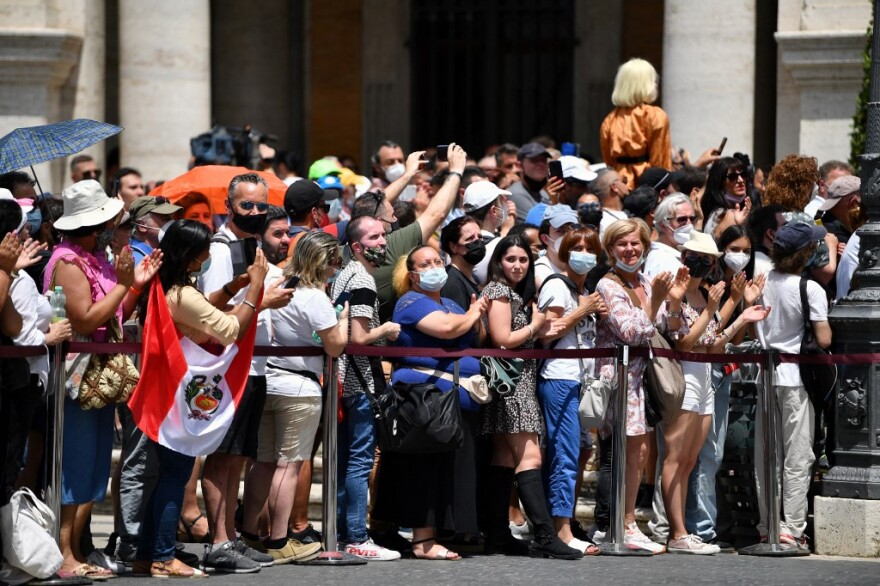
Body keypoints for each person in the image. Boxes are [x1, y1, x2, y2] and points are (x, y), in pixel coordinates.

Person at [131, 220, 265, 578]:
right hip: (178, 395)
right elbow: (229, 329)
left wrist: (233, 286)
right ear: (190, 256)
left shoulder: (171, 287)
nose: (209, 254)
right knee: (176, 475)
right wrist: (255, 288)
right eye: (204, 249)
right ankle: (162, 556)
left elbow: (204, 307)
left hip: (169, 391)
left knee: (169, 476)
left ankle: (148, 554)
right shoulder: (181, 293)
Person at [44, 179, 160, 580]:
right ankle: (62, 552)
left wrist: (133, 285)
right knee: (75, 465)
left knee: (92, 466)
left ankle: (76, 547)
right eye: (111, 218)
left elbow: (110, 314)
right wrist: (127, 285)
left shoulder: (96, 257)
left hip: (99, 374)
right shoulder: (67, 262)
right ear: (93, 225)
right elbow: (85, 318)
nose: (117, 223)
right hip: (77, 377)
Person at [197, 173, 292, 573]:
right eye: (246, 205)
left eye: (260, 205)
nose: (254, 212)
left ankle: (230, 536)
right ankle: (218, 541)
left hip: (252, 363)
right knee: (222, 455)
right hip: (225, 366)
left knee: (238, 455)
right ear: (229, 206)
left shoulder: (252, 247)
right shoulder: (221, 250)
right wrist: (265, 301)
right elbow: (216, 311)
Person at [372, 245, 487, 561]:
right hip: (425, 399)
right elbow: (449, 329)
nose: (434, 266)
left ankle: (446, 532)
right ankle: (423, 540)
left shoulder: (450, 301)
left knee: (446, 468)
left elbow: (472, 337)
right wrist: (474, 313)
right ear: (412, 274)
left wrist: (474, 318)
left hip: (456, 399)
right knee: (426, 467)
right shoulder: (410, 302)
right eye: (425, 263)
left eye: (438, 261)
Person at [656, 231, 769, 554]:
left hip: (706, 377)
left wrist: (742, 315)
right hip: (682, 379)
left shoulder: (706, 294)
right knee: (676, 458)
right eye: (695, 256)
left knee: (692, 459)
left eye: (708, 259)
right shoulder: (673, 294)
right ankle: (677, 532)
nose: (701, 264)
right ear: (683, 256)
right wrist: (715, 309)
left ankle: (684, 530)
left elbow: (715, 344)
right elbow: (684, 342)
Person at [241, 231, 348, 564]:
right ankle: (279, 539)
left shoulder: (277, 288)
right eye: (334, 262)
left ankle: (250, 533)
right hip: (300, 387)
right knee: (288, 465)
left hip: (268, 379)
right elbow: (334, 345)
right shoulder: (315, 298)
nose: (336, 269)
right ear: (323, 261)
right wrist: (342, 320)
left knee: (262, 462)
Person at [479, 234, 582, 559]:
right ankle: (544, 534)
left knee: (504, 458)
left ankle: (497, 535)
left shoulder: (512, 294)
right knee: (531, 457)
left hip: (514, 383)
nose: (518, 265)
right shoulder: (498, 291)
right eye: (511, 259)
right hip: (512, 386)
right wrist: (536, 324)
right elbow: (503, 339)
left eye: (523, 259)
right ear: (498, 261)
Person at [592, 218, 671, 554]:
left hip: (642, 376)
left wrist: (672, 300)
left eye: (635, 243)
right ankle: (615, 524)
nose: (630, 249)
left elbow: (665, 322)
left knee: (639, 451)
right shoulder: (607, 286)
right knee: (620, 452)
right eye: (622, 244)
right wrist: (656, 305)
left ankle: (626, 522)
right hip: (619, 377)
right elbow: (632, 330)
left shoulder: (646, 281)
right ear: (611, 249)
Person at [329, 216, 402, 561]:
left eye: (383, 235)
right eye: (374, 237)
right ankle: (357, 535)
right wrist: (386, 327)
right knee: (359, 462)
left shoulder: (344, 273)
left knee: (347, 461)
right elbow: (357, 338)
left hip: (345, 382)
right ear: (356, 246)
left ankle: (347, 533)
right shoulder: (362, 279)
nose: (383, 241)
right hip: (358, 384)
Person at [755, 222, 831, 550]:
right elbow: (824, 338)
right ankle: (792, 527)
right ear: (805, 254)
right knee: (797, 456)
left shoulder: (762, 282)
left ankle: (767, 524)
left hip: (764, 376)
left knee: (767, 455)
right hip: (796, 378)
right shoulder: (810, 288)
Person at [535, 227, 606, 555]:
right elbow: (548, 333)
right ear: (564, 252)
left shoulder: (585, 289)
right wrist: (583, 310)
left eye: (590, 248)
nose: (583, 254)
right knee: (564, 454)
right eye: (576, 247)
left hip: (581, 381)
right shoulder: (556, 285)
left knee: (579, 452)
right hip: (560, 378)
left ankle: (564, 522)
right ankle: (560, 529)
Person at [3, 199, 71, 504]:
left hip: (20, 379)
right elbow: (21, 334)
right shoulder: (12, 279)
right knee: (8, 465)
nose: (24, 237)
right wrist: (50, 335)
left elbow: (13, 324)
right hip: (14, 380)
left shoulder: (14, 277)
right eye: (20, 230)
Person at [599, 58, 671, 188]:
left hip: (618, 187)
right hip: (648, 187)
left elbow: (609, 162)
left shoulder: (609, 120)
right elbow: (660, 162)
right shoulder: (655, 115)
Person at [439, 216, 485, 311]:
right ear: (453, 247)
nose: (477, 241)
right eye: (470, 238)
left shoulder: (473, 276)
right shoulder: (451, 282)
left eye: (480, 237)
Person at [644, 193, 694, 278]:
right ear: (663, 225)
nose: (689, 224)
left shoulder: (680, 254)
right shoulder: (661, 260)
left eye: (693, 219)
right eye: (682, 219)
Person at [700, 157, 752, 239]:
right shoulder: (724, 214)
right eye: (732, 176)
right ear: (720, 182)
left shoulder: (731, 212)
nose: (741, 180)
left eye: (743, 174)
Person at [128, 195, 182, 265]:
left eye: (171, 219)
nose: (172, 223)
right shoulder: (135, 260)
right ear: (142, 226)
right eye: (165, 219)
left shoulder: (160, 254)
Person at [507, 142, 551, 222]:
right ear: (519, 165)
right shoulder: (516, 194)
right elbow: (540, 226)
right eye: (534, 160)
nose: (541, 164)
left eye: (543, 160)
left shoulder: (543, 193)